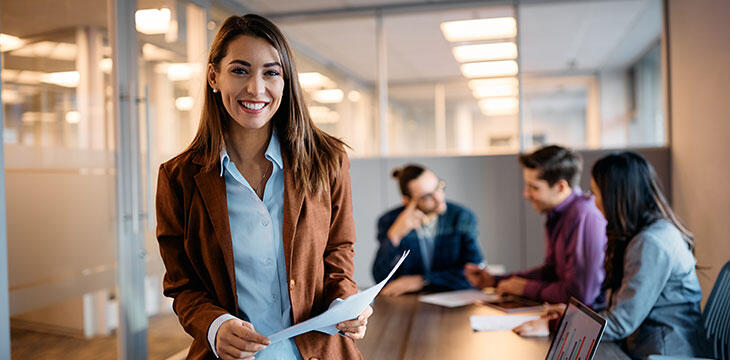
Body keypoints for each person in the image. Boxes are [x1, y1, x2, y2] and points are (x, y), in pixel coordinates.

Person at [155, 14, 370, 360]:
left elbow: (338, 250)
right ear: (214, 76)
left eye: (271, 72)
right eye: (240, 70)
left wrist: (346, 301)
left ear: (286, 82)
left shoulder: (327, 160)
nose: (256, 88)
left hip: (319, 350)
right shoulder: (178, 178)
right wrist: (215, 325)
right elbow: (182, 285)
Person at [514, 151, 711, 358]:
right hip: (645, 345)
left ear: (615, 197)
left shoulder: (651, 242)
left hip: (662, 352)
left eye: (596, 193)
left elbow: (621, 322)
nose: (592, 200)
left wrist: (556, 324)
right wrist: (571, 316)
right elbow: (621, 310)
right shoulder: (646, 234)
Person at [465, 145, 606, 305]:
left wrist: (526, 288)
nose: (526, 194)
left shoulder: (584, 217)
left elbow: (580, 296)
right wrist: (495, 280)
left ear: (560, 187)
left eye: (534, 187)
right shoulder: (557, 214)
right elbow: (551, 272)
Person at [372, 164, 483, 296]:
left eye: (438, 187)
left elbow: (475, 274)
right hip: (409, 303)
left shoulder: (461, 217)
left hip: (454, 300)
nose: (439, 198)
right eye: (427, 196)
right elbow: (380, 277)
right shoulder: (389, 220)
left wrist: (422, 281)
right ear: (407, 201)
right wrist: (394, 236)